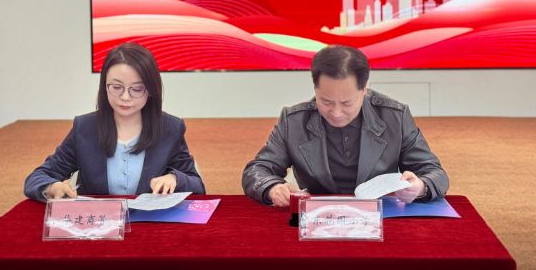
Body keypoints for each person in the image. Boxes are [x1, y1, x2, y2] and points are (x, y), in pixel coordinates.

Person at [242, 45, 448, 207]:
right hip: (317, 216)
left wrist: (420, 187)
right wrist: (273, 188)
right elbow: (257, 170)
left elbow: (433, 171)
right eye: (326, 101)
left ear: (364, 90)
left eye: (347, 103)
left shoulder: (394, 116)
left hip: (379, 215)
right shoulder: (294, 120)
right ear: (315, 88)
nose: (336, 113)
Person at [24, 43, 205, 201]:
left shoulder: (170, 128)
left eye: (137, 89)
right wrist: (53, 188)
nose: (125, 97)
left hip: (150, 224)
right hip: (98, 225)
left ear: (151, 90)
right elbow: (37, 177)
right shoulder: (85, 128)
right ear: (105, 86)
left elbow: (197, 185)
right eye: (117, 87)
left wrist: (174, 178)